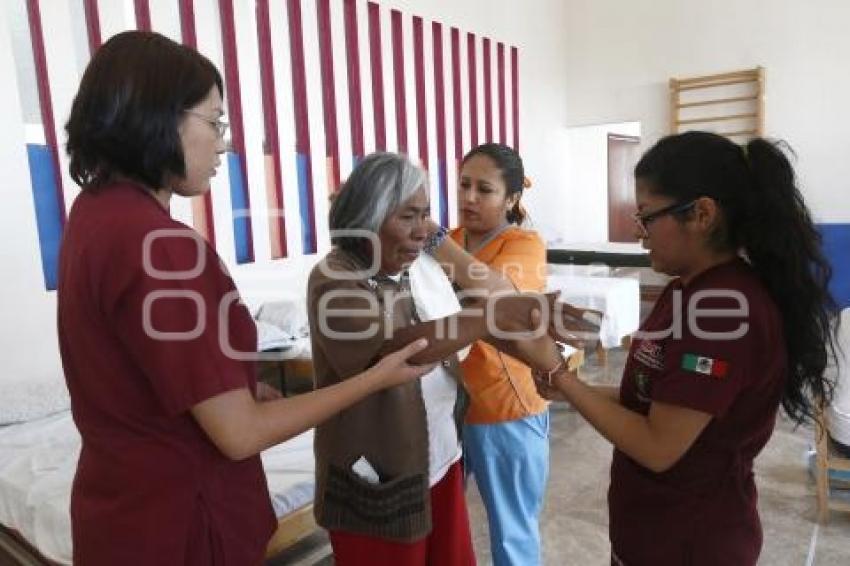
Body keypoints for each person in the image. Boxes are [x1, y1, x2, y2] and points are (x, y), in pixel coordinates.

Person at [58, 31, 436, 566]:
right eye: (214, 123)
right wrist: (375, 378)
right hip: (179, 526)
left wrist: (233, 382)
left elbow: (139, 364)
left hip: (119, 514)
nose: (225, 143)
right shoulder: (159, 248)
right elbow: (238, 434)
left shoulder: (95, 215)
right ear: (157, 118)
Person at [534, 131, 838, 565]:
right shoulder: (686, 290)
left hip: (692, 541)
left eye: (646, 218)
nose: (639, 235)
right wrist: (569, 390)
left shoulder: (723, 312)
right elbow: (657, 399)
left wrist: (561, 373)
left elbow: (659, 445)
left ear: (701, 214)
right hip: (653, 531)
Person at [307, 151, 565, 566]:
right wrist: (491, 313)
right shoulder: (335, 278)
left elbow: (470, 320)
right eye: (409, 216)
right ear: (369, 216)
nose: (423, 230)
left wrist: (555, 369)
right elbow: (398, 349)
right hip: (383, 471)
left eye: (426, 215)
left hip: (440, 456)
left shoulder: (418, 263)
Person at [446, 143, 550, 566]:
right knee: (445, 520)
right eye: (464, 185)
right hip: (449, 403)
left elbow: (500, 296)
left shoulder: (523, 244)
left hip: (504, 408)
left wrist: (432, 240)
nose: (469, 197)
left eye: (483, 189)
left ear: (510, 199)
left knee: (511, 531)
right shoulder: (453, 240)